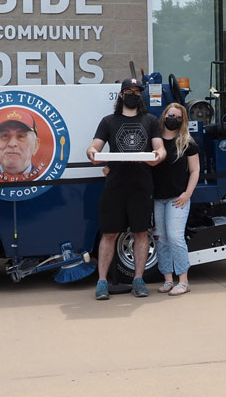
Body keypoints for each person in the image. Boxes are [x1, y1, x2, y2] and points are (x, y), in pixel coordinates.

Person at [86, 78, 165, 300]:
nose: (133, 95)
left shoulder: (151, 121)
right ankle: (102, 282)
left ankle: (138, 280)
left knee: (141, 233)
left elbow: (160, 149)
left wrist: (158, 156)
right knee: (109, 233)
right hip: (115, 185)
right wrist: (92, 152)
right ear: (121, 95)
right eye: (129, 91)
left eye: (137, 92)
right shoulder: (108, 121)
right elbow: (95, 146)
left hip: (142, 185)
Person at [152, 103, 200, 296]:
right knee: (161, 239)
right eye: (171, 115)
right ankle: (167, 280)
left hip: (177, 198)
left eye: (178, 117)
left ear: (183, 120)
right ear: (164, 115)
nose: (174, 119)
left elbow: (195, 170)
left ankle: (183, 281)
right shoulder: (154, 141)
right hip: (157, 198)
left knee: (175, 237)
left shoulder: (187, 141)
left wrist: (187, 193)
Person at [0, 110, 40, 177]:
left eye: (21, 136)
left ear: (35, 145)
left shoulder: (46, 179)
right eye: (5, 136)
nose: (12, 144)